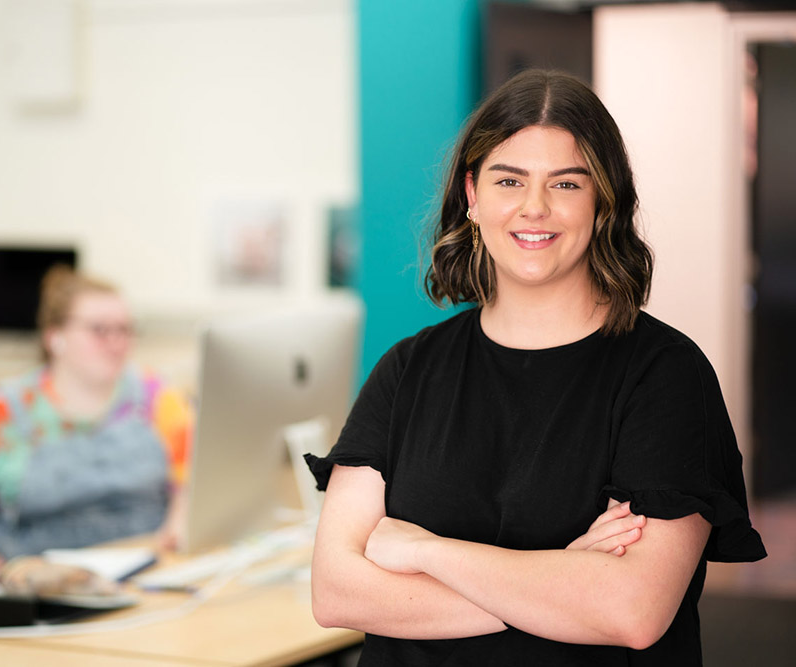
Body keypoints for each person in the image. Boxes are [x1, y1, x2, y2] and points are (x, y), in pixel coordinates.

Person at [305, 69, 766, 665]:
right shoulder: (407, 371)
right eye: (509, 180)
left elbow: (632, 612)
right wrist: (565, 580)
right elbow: (336, 592)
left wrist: (426, 552)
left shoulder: (666, 377)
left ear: (603, 203)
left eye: (567, 184)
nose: (535, 208)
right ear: (472, 197)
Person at [0, 266, 191, 595]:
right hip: (40, 596)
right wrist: (0, 575)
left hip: (142, 586)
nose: (116, 342)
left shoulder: (158, 397)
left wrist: (178, 524)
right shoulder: (2, 413)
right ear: (54, 336)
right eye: (99, 330)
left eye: (125, 329)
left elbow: (190, 477)